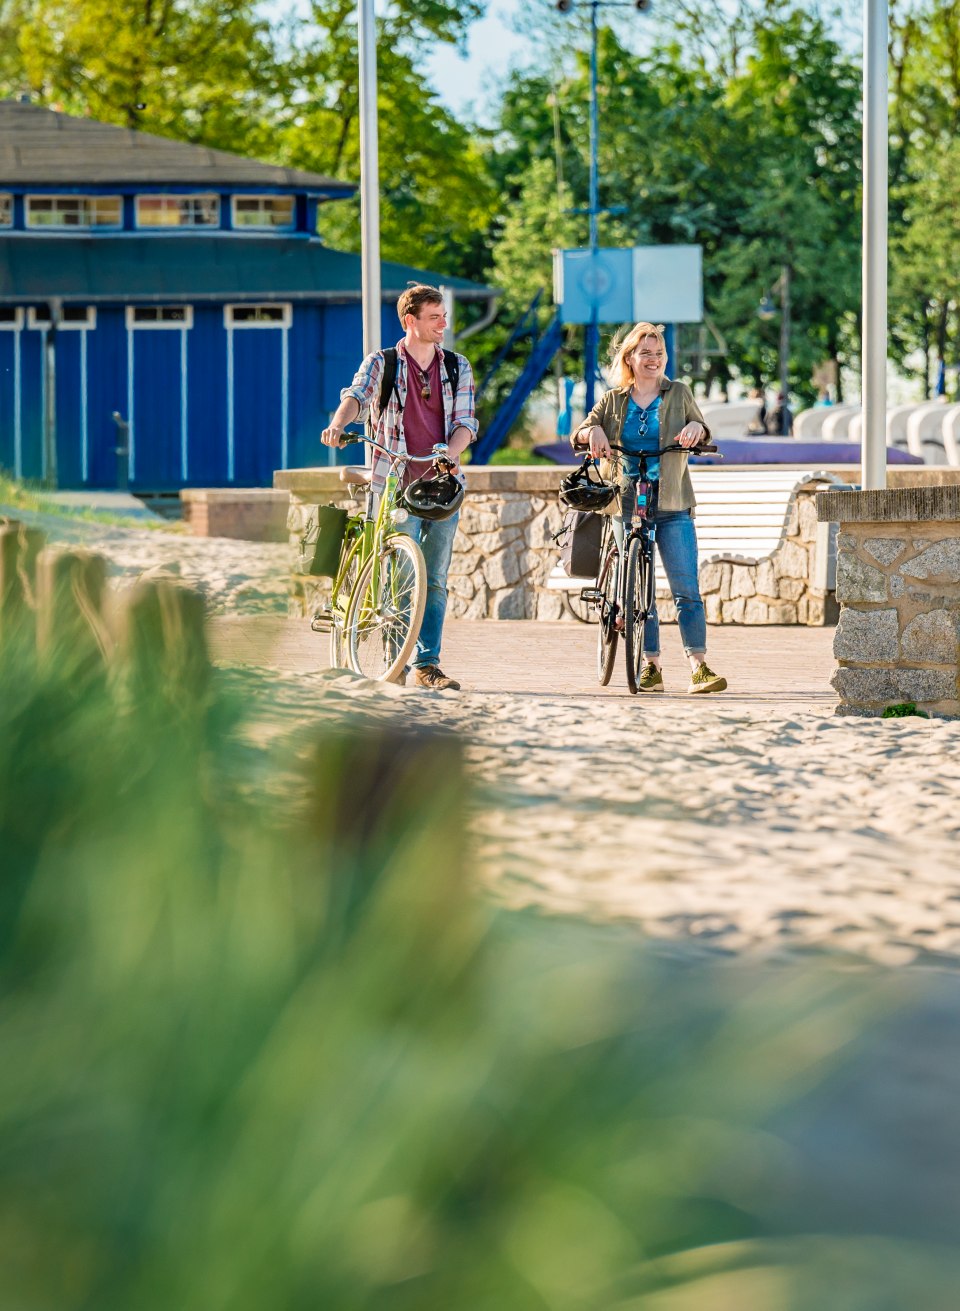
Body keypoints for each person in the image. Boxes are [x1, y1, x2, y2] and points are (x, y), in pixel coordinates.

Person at [321, 284, 477, 690]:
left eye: (444, 316)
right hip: (393, 482)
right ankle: (395, 663)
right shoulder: (382, 363)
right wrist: (338, 423)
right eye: (435, 317)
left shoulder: (457, 366)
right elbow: (357, 396)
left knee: (435, 579)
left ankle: (427, 665)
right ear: (411, 320)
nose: (443, 324)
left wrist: (452, 454)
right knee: (401, 575)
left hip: (442, 485)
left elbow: (466, 422)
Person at [573, 321, 727, 694]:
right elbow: (579, 433)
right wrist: (592, 431)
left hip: (672, 502)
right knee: (639, 587)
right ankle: (651, 665)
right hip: (626, 501)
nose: (653, 359)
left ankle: (699, 667)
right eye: (645, 353)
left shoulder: (679, 392)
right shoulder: (613, 400)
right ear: (630, 358)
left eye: (659, 353)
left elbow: (703, 429)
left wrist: (697, 429)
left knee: (686, 589)